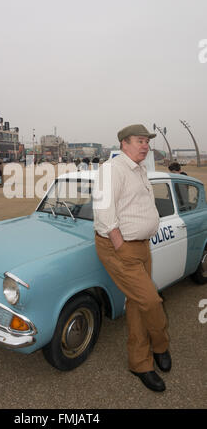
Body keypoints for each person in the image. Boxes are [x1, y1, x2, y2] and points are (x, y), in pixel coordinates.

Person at [93, 124, 171, 392]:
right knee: (150, 300)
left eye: (147, 142)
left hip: (142, 246)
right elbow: (104, 211)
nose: (145, 146)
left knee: (138, 304)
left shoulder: (139, 171)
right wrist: (120, 244)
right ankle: (160, 344)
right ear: (124, 144)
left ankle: (140, 362)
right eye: (140, 141)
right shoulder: (112, 170)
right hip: (121, 247)